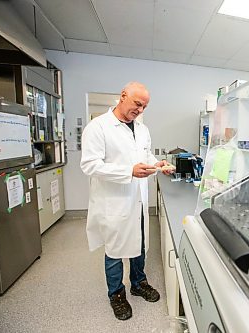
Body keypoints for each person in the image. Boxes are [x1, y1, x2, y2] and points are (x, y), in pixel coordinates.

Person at [80, 82, 173, 320]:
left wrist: (157, 164)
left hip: (138, 199)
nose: (140, 110)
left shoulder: (142, 129)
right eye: (137, 104)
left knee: (139, 243)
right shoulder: (98, 127)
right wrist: (127, 172)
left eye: (144, 106)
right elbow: (90, 165)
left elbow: (145, 155)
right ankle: (116, 294)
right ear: (123, 96)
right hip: (114, 201)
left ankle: (138, 283)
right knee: (114, 250)